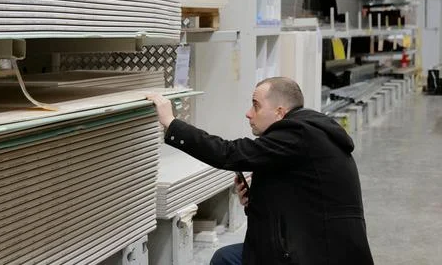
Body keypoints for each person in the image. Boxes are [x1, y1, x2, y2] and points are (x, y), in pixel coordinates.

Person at [147, 77, 373, 265]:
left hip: (321, 255)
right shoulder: (304, 134)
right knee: (226, 258)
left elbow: (228, 153)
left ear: (279, 112)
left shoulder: (298, 133)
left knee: (227, 260)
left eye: (255, 105)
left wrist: (171, 122)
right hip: (316, 243)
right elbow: (299, 202)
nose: (248, 113)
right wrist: (255, 201)